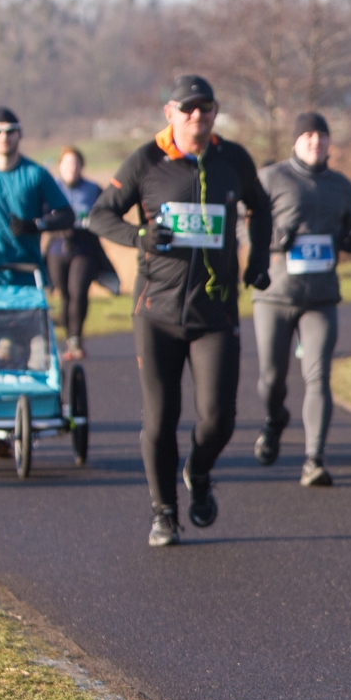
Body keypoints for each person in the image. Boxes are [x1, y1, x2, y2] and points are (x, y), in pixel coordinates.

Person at [89, 74, 273, 548]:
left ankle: (199, 469)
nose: (198, 116)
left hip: (215, 313)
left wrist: (258, 260)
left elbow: (262, 208)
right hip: (157, 313)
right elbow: (100, 214)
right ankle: (164, 513)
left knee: (219, 419)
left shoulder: (232, 159)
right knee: (160, 419)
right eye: (188, 109)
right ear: (170, 113)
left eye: (206, 109)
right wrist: (139, 237)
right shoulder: (147, 161)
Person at [0, 107, 75, 457]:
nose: (4, 138)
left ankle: (23, 424)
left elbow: (65, 213)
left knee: (30, 354)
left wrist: (36, 225)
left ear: (20, 135)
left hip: (27, 277)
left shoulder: (35, 174)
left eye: (10, 131)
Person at [252, 111, 351, 488]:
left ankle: (314, 459)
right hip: (274, 296)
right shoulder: (271, 178)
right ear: (295, 142)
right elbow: (242, 222)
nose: (316, 141)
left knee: (318, 378)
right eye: (308, 135)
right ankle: (273, 421)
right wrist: (271, 239)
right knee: (272, 380)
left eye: (322, 135)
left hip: (321, 298)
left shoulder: (340, 185)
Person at [45, 146, 105, 361]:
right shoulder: (51, 188)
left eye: (76, 163)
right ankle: (67, 338)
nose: (72, 168)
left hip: (84, 247)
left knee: (78, 292)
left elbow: (105, 215)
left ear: (82, 166)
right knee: (64, 295)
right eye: (67, 163)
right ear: (60, 166)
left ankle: (76, 339)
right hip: (57, 247)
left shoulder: (93, 189)